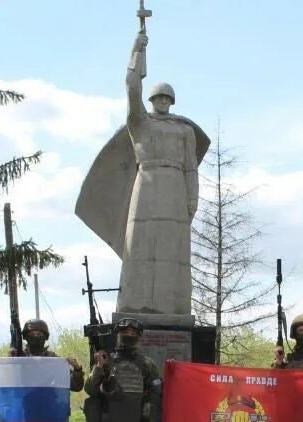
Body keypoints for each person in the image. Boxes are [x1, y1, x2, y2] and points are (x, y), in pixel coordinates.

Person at [74, 29, 209, 316]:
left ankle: (173, 307)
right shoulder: (140, 123)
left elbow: (191, 168)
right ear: (151, 100)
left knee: (173, 251)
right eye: (157, 98)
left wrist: (192, 199)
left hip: (175, 188)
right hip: (146, 184)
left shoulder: (185, 130)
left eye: (166, 99)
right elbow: (132, 87)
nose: (162, 102)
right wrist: (137, 51)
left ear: (171, 101)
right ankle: (136, 305)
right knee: (139, 249)